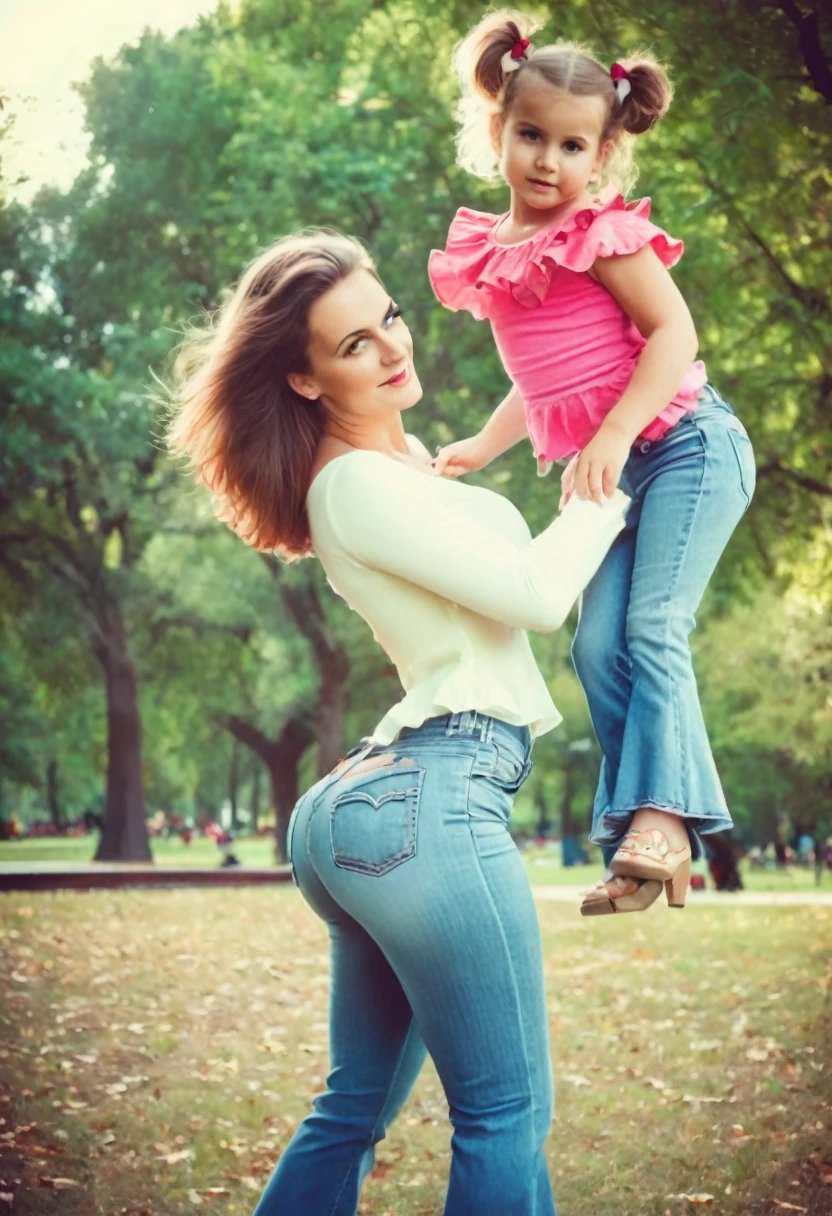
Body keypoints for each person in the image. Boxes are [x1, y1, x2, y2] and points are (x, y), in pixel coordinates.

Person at [166, 228, 628, 1215]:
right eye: (353, 347)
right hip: (435, 794)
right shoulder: (355, 484)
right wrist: (608, 480)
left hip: (382, 800)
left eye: (389, 319)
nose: (391, 348)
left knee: (353, 1108)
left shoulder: (394, 469)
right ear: (300, 379)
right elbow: (538, 596)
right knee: (505, 1112)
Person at [429, 10, 756, 915]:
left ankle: (660, 823)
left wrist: (610, 435)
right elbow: (542, 376)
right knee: (597, 645)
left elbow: (673, 334)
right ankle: (646, 841)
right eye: (530, 136)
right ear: (497, 128)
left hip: (688, 446)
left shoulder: (603, 234)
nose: (547, 161)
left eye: (572, 145)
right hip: (614, 473)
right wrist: (483, 445)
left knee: (652, 626)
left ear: (603, 156)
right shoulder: (499, 251)